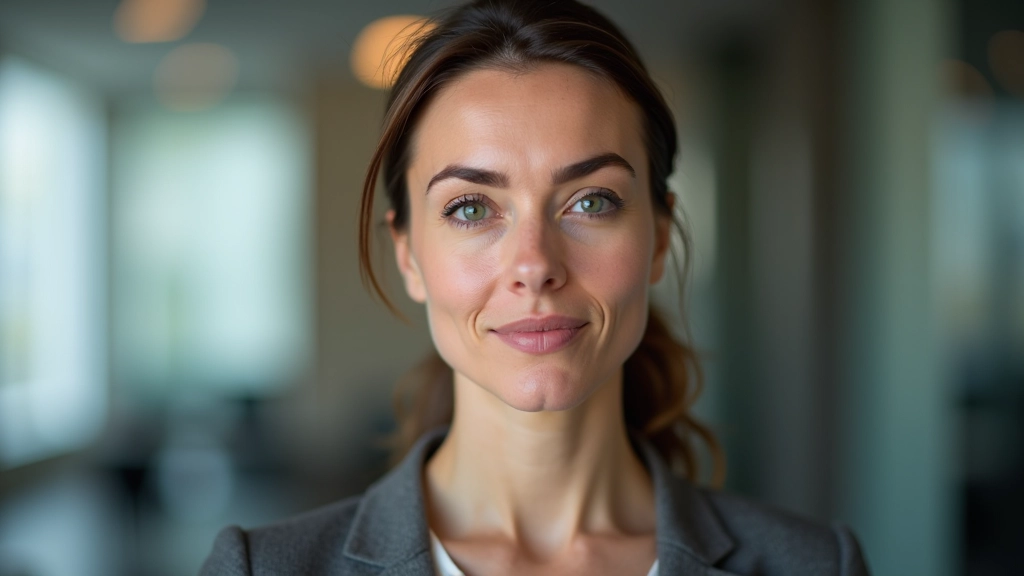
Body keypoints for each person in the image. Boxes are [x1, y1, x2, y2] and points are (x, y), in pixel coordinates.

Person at [200, 0, 870, 574]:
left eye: (591, 202)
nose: (534, 263)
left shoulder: (813, 564)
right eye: (470, 208)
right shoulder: (261, 569)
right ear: (407, 253)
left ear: (660, 237)